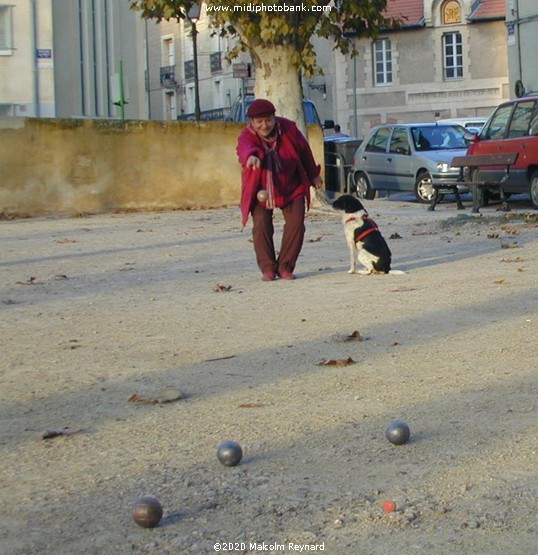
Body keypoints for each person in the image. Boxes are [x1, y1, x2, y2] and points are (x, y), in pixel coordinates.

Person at [237, 99, 323, 281]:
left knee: (296, 225)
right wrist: (251, 156)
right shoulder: (247, 135)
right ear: (252, 122)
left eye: (267, 120)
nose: (264, 125)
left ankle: (285, 266)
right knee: (261, 225)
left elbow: (304, 151)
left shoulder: (289, 129)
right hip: (261, 188)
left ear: (274, 118)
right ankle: (268, 268)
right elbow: (244, 148)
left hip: (292, 185)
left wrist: (314, 174)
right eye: (259, 121)